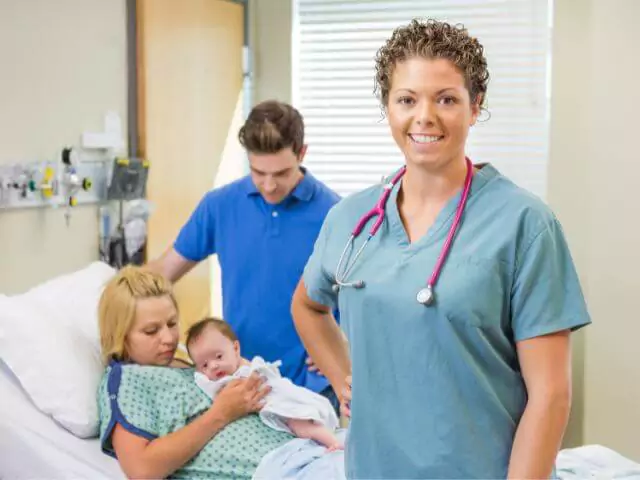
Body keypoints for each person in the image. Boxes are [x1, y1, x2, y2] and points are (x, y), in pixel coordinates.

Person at [291, 18, 591, 480]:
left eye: (446, 99)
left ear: (475, 107)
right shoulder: (350, 219)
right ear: (388, 107)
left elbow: (551, 395)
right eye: (407, 99)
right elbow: (308, 306)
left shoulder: (524, 225)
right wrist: (342, 378)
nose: (424, 116)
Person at [147, 100, 341, 410]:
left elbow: (365, 295)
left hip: (312, 386)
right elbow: (164, 270)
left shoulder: (335, 213)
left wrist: (343, 341)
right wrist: (114, 296)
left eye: (281, 173)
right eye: (258, 172)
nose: (268, 185)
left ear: (302, 153)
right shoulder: (220, 205)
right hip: (241, 380)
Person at [96, 266, 346, 479]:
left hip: (308, 447)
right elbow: (141, 469)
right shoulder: (127, 380)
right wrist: (221, 413)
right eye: (151, 331)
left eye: (172, 324)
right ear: (120, 335)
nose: (168, 338)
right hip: (279, 469)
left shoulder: (191, 365)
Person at [186, 317, 343, 451]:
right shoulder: (217, 380)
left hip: (282, 401)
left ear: (235, 348)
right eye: (204, 365)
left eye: (219, 357)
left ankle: (334, 444)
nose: (213, 366)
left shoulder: (247, 368)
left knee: (301, 425)